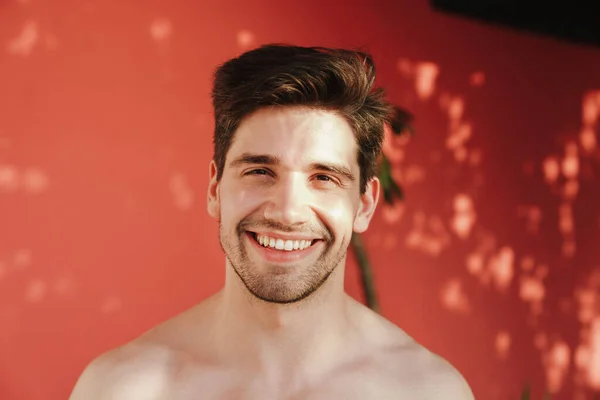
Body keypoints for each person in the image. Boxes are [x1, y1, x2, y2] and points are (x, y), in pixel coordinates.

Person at [69, 44, 475, 399]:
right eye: (260, 171)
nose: (286, 211)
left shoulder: (428, 392)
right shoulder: (123, 390)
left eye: (324, 178)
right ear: (215, 189)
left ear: (364, 205)